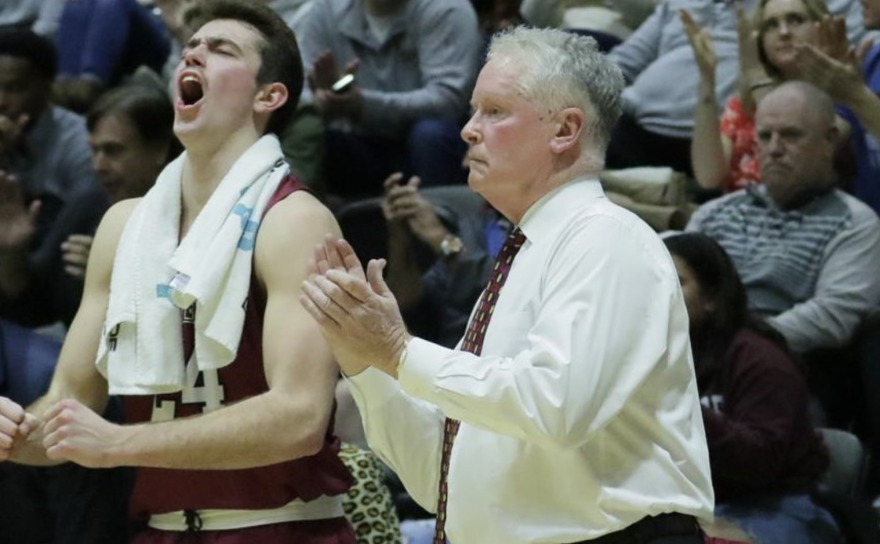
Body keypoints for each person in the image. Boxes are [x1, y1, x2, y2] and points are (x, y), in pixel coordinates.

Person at [301, 26, 714, 544]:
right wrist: (366, 360)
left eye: (494, 111)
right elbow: (440, 480)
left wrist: (398, 351)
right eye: (474, 111)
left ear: (565, 130)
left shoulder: (606, 238)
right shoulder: (523, 257)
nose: (468, 130)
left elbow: (551, 407)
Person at [0, 1, 356, 543]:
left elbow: (299, 419)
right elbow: (69, 409)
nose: (195, 52)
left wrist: (119, 444)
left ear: (269, 95)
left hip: (277, 528)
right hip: (162, 530)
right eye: (191, 47)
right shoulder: (123, 226)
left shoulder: (294, 221)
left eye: (222, 49)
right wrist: (13, 435)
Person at [663, 232, 838, 544]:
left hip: (772, 503)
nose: (660, 290)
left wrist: (680, 406)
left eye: (676, 280)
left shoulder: (759, 358)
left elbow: (761, 462)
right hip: (686, 501)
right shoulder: (653, 354)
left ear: (713, 297)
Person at [296, 0, 482, 196]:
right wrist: (322, 99)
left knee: (431, 134)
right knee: (307, 129)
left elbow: (449, 100)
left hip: (426, 145)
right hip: (356, 141)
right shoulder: (322, 11)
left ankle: (442, 218)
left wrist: (364, 104)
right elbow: (296, 92)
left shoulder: (446, 9)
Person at [684, 0, 834, 192]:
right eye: (771, 25)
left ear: (821, 27)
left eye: (795, 21)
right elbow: (708, 176)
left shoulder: (837, 96)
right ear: (760, 39)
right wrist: (707, 77)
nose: (783, 32)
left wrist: (755, 73)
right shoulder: (744, 104)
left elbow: (797, 170)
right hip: (736, 215)